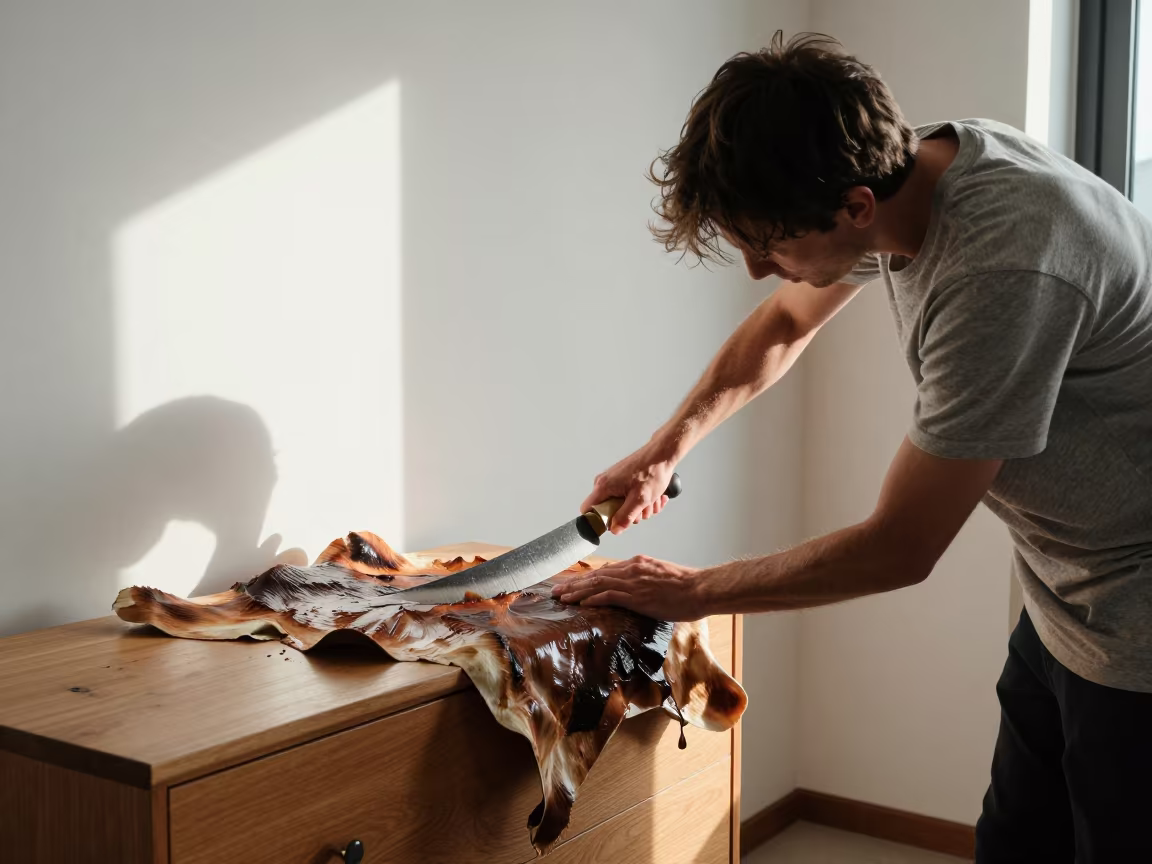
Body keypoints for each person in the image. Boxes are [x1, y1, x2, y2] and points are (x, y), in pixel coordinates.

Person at [551, 31, 1152, 863]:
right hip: (1066, 592)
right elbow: (785, 320)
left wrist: (692, 591)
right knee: (1015, 844)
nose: (758, 269)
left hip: (1136, 614)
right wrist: (667, 446)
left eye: (769, 245)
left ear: (857, 207)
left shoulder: (1002, 268)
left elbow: (899, 547)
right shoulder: (918, 169)